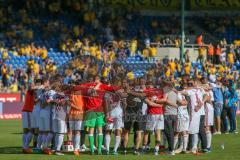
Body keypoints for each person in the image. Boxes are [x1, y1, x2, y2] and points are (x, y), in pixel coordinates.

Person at [82, 75, 119, 155]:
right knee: (96, 130)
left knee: (97, 130)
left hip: (97, 111)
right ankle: (94, 149)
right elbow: (90, 91)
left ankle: (97, 149)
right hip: (93, 111)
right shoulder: (89, 86)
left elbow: (112, 89)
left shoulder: (101, 86)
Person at [104, 79, 127, 155]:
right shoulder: (121, 91)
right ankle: (114, 150)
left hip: (111, 112)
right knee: (117, 130)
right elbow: (124, 104)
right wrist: (124, 113)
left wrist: (107, 114)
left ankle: (107, 150)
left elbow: (106, 103)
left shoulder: (108, 91)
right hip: (119, 112)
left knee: (108, 131)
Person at [143, 81, 165, 155]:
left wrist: (155, 103)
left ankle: (145, 148)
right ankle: (156, 150)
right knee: (157, 132)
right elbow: (162, 103)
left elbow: (150, 103)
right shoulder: (160, 92)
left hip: (152, 114)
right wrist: (159, 105)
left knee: (147, 132)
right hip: (159, 114)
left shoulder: (146, 92)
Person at [162, 79, 178, 155]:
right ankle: (171, 149)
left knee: (169, 133)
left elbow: (165, 100)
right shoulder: (175, 91)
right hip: (174, 114)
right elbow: (180, 101)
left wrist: (156, 101)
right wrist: (176, 105)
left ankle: (171, 150)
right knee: (171, 132)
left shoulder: (165, 90)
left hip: (168, 114)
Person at [174, 87, 189, 154]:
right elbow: (186, 102)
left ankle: (172, 149)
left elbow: (183, 103)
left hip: (180, 115)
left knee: (177, 132)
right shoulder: (182, 95)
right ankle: (184, 149)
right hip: (185, 114)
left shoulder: (177, 95)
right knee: (184, 131)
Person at [21, 83, 35, 153]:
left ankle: (24, 147)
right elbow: (32, 88)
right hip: (28, 111)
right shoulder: (30, 91)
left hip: (26, 111)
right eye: (32, 86)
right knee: (31, 130)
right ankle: (26, 147)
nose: (34, 87)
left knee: (25, 130)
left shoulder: (30, 92)